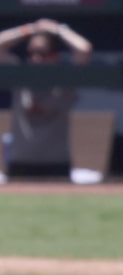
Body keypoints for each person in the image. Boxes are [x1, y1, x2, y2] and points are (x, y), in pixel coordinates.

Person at [0, 19, 91, 180]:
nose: (36, 59)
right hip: (20, 163)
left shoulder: (64, 81)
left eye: (42, 53)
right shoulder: (20, 75)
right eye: (31, 53)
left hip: (57, 163)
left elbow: (83, 49)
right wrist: (28, 29)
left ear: (54, 56)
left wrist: (58, 29)